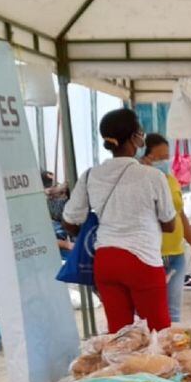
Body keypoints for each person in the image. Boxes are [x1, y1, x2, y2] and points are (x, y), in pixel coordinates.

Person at [63, 108, 176, 332]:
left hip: (106, 260)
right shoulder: (153, 176)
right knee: (158, 333)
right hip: (143, 260)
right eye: (141, 132)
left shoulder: (89, 176)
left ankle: (124, 369)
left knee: (119, 335)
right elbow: (169, 224)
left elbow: (69, 220)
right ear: (135, 137)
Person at [141, 133, 191, 323]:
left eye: (166, 157)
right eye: (159, 158)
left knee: (174, 313)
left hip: (176, 254)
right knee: (150, 312)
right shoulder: (140, 181)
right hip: (151, 255)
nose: (164, 162)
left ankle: (168, 351)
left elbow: (180, 214)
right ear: (145, 156)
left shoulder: (170, 179)